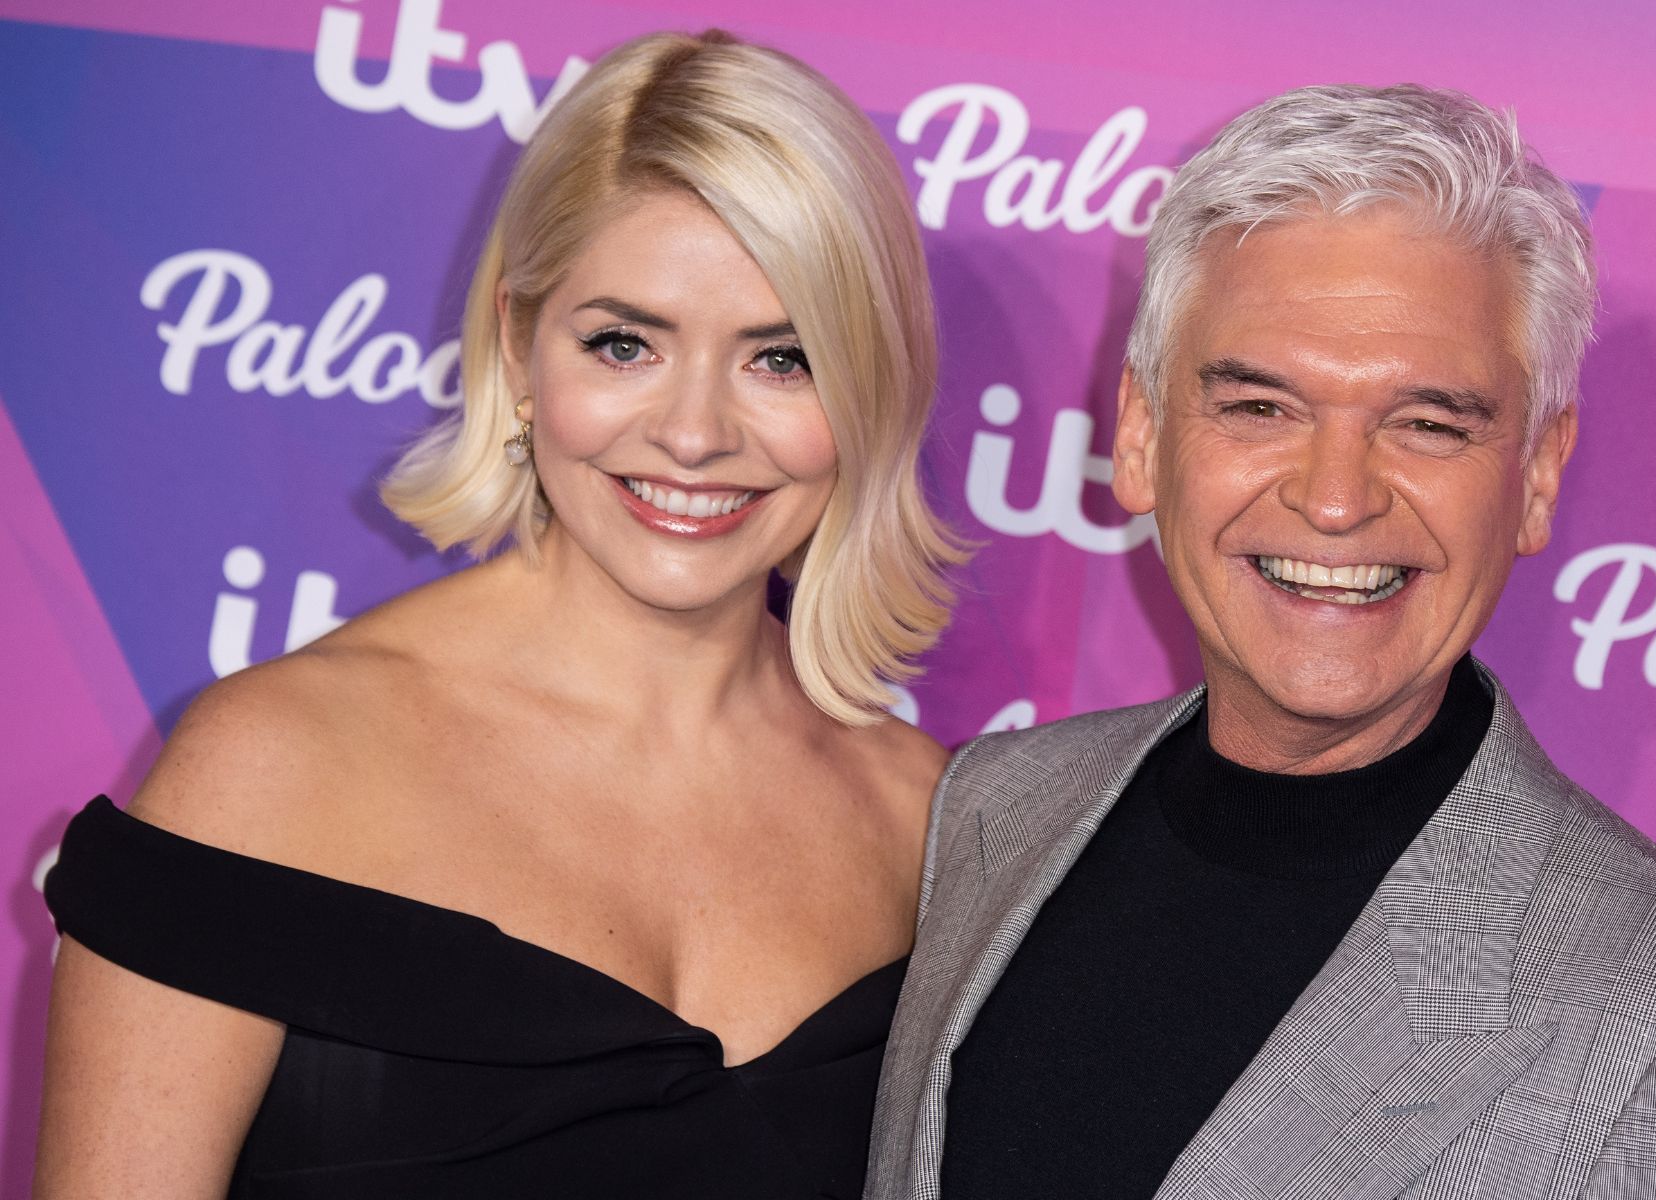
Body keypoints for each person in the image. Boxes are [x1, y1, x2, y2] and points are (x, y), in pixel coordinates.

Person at [867, 85, 1656, 1200]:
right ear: (1140, 434)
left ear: (1533, 474)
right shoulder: (994, 807)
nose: (1335, 501)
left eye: (1428, 425)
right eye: (1259, 408)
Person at [37, 30, 962, 1200]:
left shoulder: (931, 826)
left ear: (875, 387)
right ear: (521, 346)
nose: (692, 433)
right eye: (623, 343)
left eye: (781, 360)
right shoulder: (273, 770)